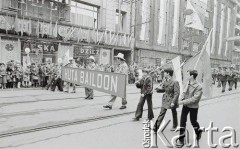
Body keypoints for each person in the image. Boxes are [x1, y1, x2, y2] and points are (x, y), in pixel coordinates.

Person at [176, 70, 203, 147]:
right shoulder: (188, 83)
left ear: (192, 76)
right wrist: (180, 99)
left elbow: (195, 99)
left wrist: (182, 102)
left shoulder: (199, 86)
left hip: (193, 107)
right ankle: (181, 140)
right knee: (182, 121)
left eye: (188, 74)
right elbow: (184, 92)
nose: (186, 75)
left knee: (193, 121)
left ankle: (198, 131)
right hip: (185, 106)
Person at [153, 68, 180, 132]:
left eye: (165, 72)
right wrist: (158, 90)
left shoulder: (175, 82)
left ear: (168, 73)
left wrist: (173, 102)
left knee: (174, 112)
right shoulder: (165, 81)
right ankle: (155, 127)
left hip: (172, 98)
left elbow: (177, 93)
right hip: (165, 98)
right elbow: (164, 89)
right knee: (162, 112)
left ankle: (175, 125)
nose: (164, 73)